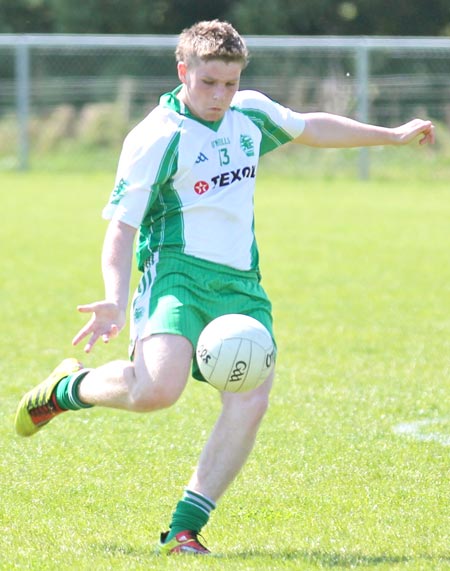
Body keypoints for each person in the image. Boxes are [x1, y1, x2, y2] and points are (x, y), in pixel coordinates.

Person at [15, 20, 435, 556]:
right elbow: (121, 227)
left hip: (240, 284)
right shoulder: (156, 137)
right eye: (209, 82)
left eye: (230, 84)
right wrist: (114, 298)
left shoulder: (250, 113)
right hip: (177, 274)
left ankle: (184, 529)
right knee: (157, 391)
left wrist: (392, 136)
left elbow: (310, 126)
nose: (220, 96)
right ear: (183, 70)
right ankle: (65, 390)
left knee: (250, 397)